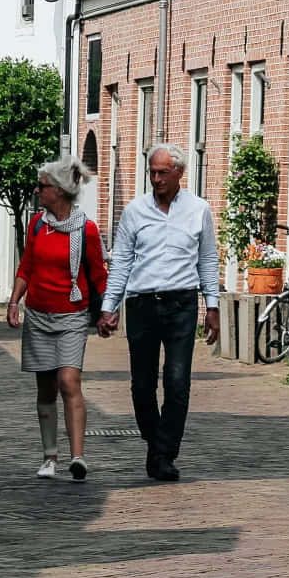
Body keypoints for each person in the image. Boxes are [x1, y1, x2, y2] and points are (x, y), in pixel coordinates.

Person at [96, 143, 220, 482]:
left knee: (178, 382)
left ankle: (165, 453)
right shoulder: (135, 211)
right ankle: (156, 442)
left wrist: (213, 305)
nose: (155, 179)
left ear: (179, 172)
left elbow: (207, 259)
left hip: (181, 302)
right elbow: (121, 260)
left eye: (162, 172)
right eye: (151, 172)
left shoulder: (199, 210)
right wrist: (109, 307)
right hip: (142, 304)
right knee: (142, 385)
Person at [6, 155, 108, 481]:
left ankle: (78, 457)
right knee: (46, 388)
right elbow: (27, 268)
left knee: (69, 381)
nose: (38, 191)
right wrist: (14, 301)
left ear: (60, 191)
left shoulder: (87, 230)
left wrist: (109, 309)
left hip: (72, 316)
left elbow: (98, 274)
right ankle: (49, 456)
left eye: (43, 186)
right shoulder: (38, 225)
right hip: (38, 315)